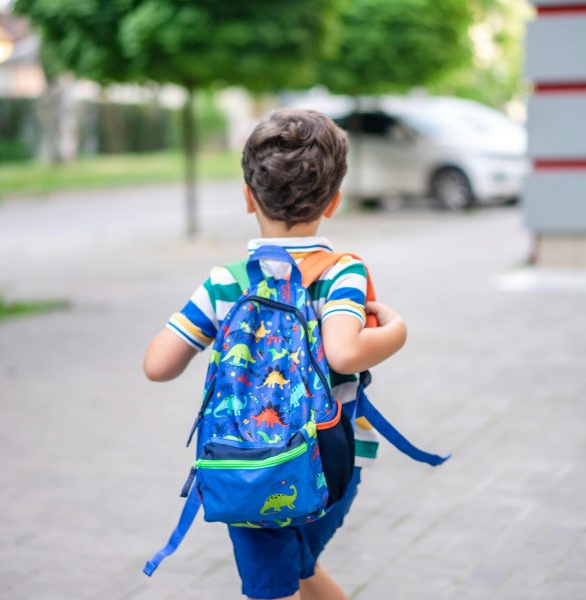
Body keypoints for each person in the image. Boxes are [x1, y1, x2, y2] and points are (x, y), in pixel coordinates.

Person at [143, 108, 408, 600]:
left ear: (248, 198)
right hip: (333, 462)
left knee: (275, 585)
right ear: (334, 201)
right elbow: (346, 353)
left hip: (245, 463)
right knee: (300, 565)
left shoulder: (226, 282)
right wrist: (398, 331)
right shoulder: (342, 273)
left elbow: (157, 366)